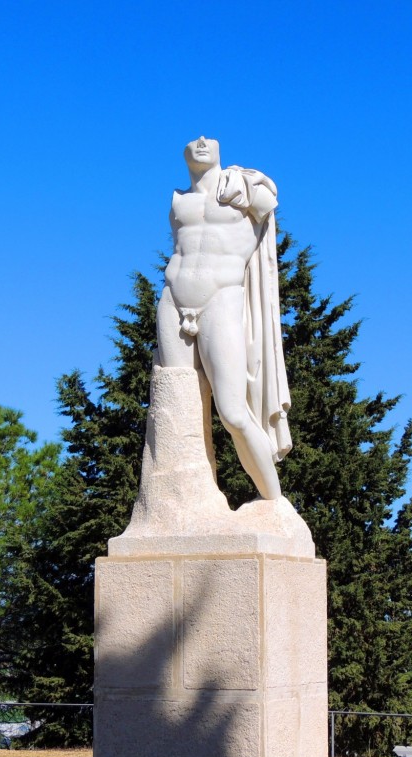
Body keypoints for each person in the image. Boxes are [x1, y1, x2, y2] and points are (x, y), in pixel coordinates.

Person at [156, 137, 291, 500]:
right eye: (193, 141)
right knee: (177, 406)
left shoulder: (244, 185)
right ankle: (185, 503)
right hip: (172, 299)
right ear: (182, 154)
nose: (201, 141)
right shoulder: (178, 200)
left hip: (222, 297)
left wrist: (247, 181)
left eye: (208, 140)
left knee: (232, 412)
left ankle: (274, 503)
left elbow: (269, 200)